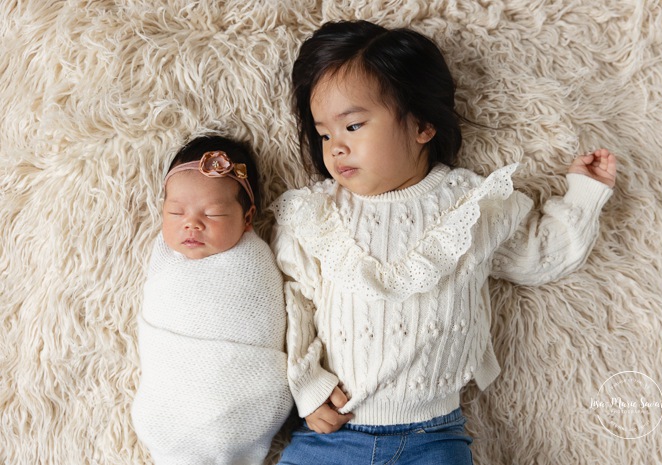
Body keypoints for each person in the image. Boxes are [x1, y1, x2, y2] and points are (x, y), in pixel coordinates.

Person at [270, 20, 616, 465]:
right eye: (324, 134)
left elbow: (539, 257)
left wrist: (583, 194)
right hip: (334, 432)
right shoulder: (314, 214)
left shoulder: (471, 204)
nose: (335, 147)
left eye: (353, 126)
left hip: (433, 437)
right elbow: (292, 305)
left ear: (423, 125)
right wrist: (307, 384)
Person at [131, 136, 293, 465]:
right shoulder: (163, 258)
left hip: (235, 399)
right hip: (168, 399)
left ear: (247, 218)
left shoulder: (255, 262)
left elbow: (269, 323)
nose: (192, 223)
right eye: (176, 212)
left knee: (222, 434)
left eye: (214, 213)